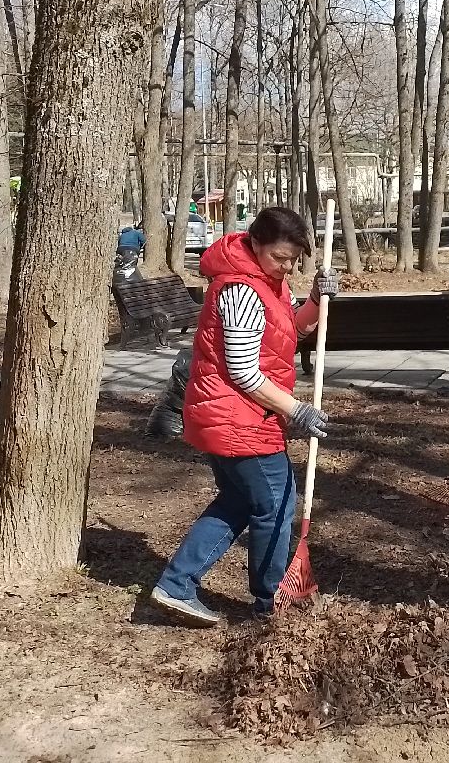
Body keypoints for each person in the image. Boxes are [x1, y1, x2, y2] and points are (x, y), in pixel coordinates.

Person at [152, 206, 337, 625]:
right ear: (255, 244)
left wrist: (315, 300)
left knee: (240, 500)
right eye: (279, 257)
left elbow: (290, 329)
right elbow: (243, 371)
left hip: (238, 416)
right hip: (236, 418)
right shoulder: (241, 290)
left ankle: (177, 584)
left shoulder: (268, 282)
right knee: (276, 504)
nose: (286, 266)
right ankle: (272, 602)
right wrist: (297, 410)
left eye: (293, 260)